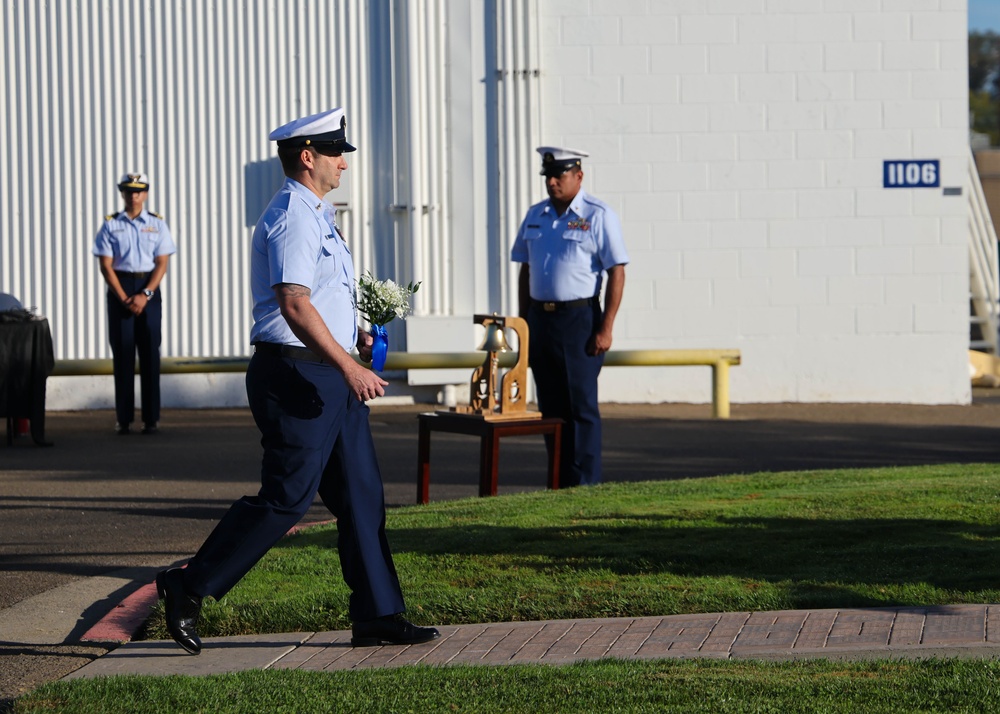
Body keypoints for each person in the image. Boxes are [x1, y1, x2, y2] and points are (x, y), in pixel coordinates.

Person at [155, 107, 439, 655]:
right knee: (286, 499)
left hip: (327, 372)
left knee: (361, 497)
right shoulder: (292, 214)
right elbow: (292, 302)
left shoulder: (319, 213)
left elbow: (321, 296)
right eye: (337, 154)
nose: (344, 164)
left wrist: (355, 331)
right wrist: (349, 365)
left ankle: (379, 614)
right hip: (297, 374)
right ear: (307, 157)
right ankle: (187, 585)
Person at [510, 147, 629, 487]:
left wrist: (606, 327)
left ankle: (586, 483)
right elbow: (525, 270)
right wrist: (524, 322)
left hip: (579, 320)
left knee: (581, 406)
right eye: (547, 176)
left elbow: (616, 272)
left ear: (578, 175)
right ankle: (559, 482)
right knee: (551, 405)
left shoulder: (598, 215)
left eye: (558, 175)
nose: (551, 182)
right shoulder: (536, 215)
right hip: (541, 320)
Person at [93, 173, 175, 435]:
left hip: (148, 291)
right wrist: (124, 297)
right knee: (123, 355)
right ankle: (124, 419)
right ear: (122, 193)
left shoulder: (157, 225)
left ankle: (151, 420)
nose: (133, 196)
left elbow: (162, 263)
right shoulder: (110, 225)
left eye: (138, 191)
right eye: (128, 191)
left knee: (150, 354)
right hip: (121, 291)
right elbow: (106, 266)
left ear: (146, 194)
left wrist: (145, 295)